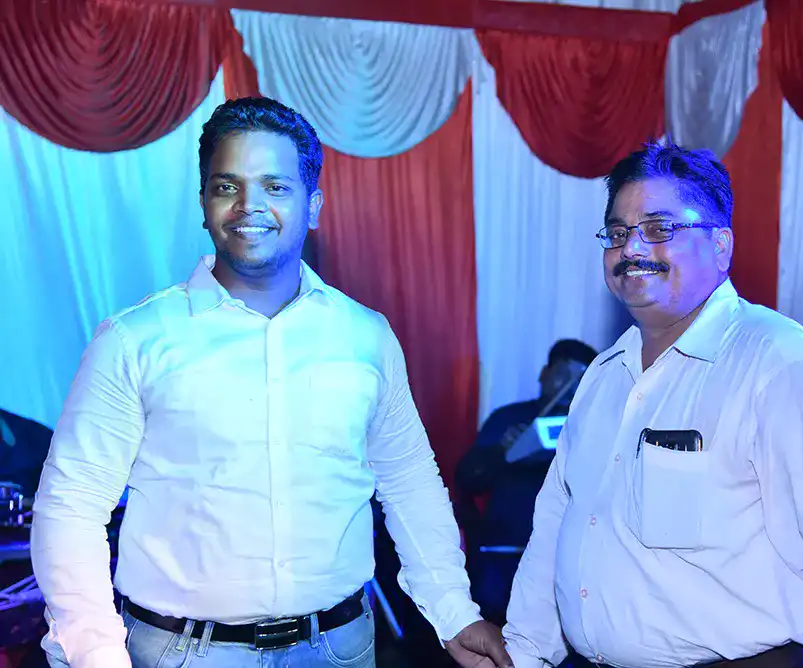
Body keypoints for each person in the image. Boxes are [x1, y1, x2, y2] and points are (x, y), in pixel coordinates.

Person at [30, 97, 511, 668]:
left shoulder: (365, 336)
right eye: (226, 186)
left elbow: (408, 481)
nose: (248, 205)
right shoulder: (134, 340)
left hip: (339, 647)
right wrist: (94, 652)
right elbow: (72, 504)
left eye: (275, 186)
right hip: (181, 654)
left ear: (314, 206)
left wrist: (453, 610)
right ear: (204, 203)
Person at [502, 139, 803, 668]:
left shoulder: (780, 366)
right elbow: (557, 526)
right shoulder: (603, 376)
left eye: (660, 229)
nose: (632, 249)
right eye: (617, 233)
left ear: (721, 245)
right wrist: (525, 652)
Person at [455, 341, 597, 624]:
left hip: (565, 560)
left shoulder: (592, 425)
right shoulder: (508, 419)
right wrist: (501, 452)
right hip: (504, 555)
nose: (569, 388)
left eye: (579, 380)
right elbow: (467, 480)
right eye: (563, 375)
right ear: (544, 373)